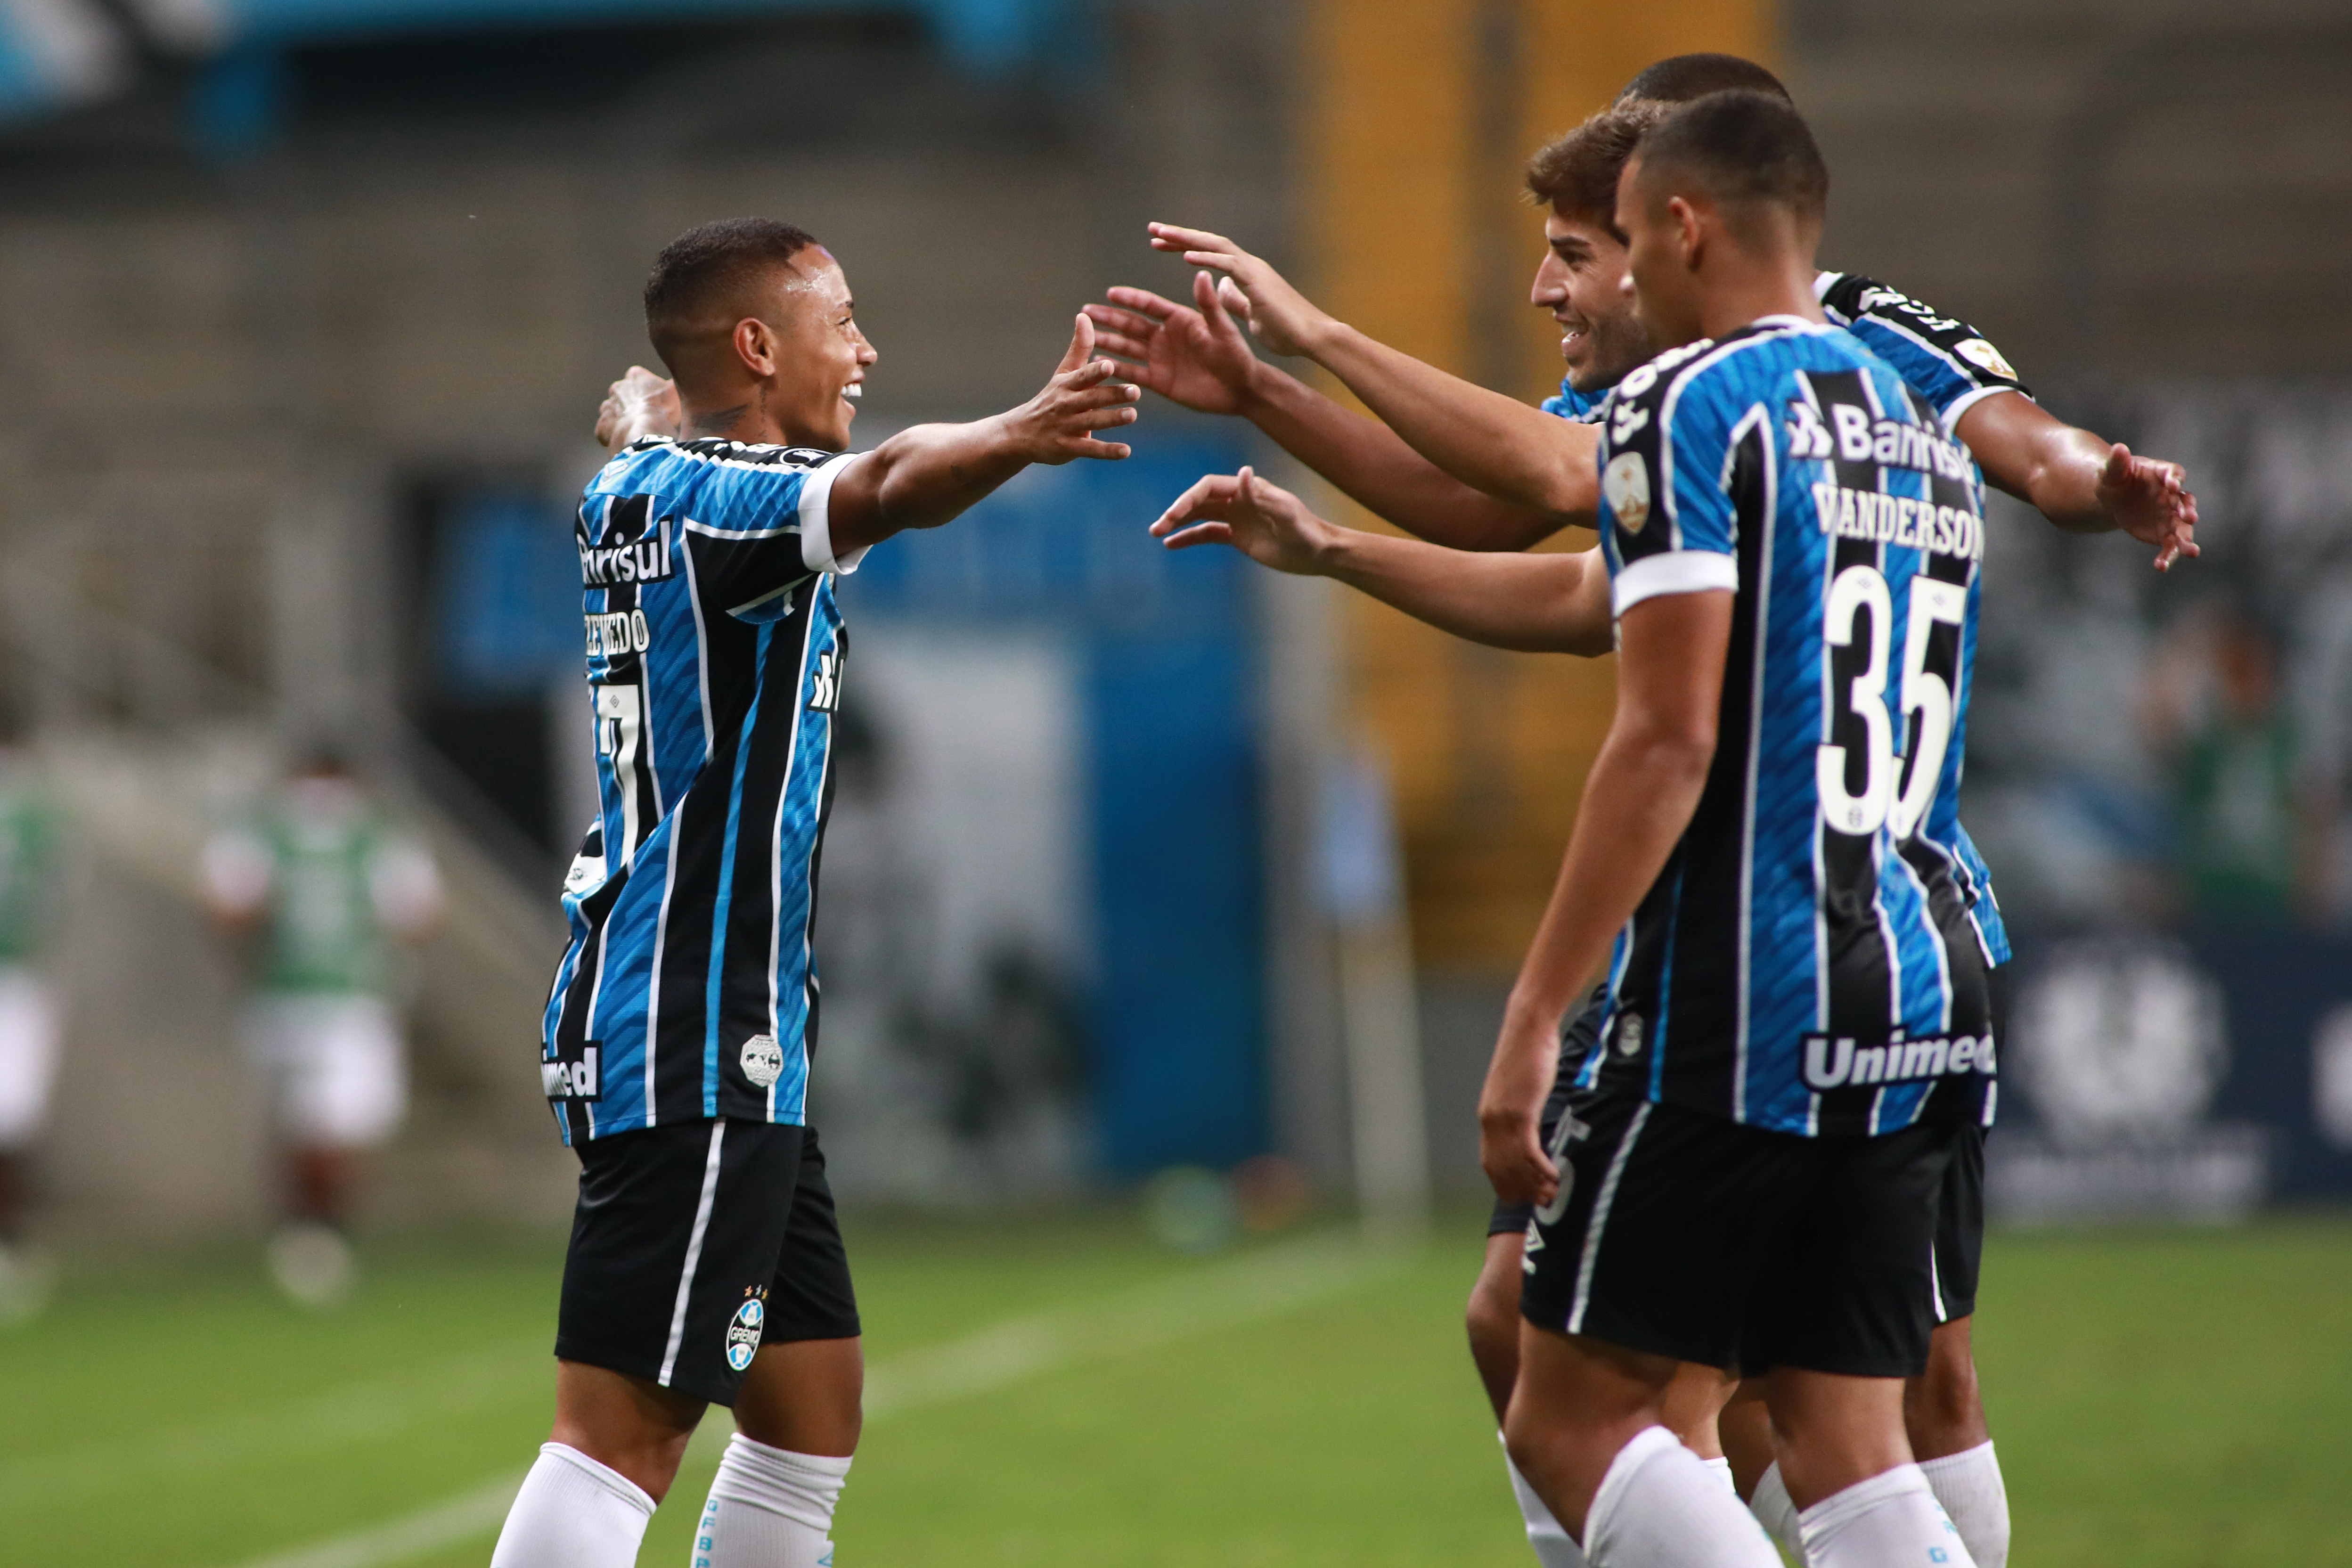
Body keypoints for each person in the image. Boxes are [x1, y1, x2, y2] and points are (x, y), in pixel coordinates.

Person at [1102, 54, 2197, 1568]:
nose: (1552, 289)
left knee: (1620, 1398)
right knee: (1821, 1412)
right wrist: (1325, 516)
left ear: (1675, 221)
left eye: (1583, 240)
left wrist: (1531, 1004)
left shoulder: (1718, 387)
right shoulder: (1893, 420)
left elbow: (1654, 707)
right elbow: (1559, 558)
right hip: (1905, 944)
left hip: (1750, 950)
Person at [490, 217, 1139, 1568]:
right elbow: (893, 478)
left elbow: (665, 433)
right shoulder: (720, 499)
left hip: (718, 1022)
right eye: (842, 320)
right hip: (690, 1023)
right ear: (756, 345)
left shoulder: (637, 479)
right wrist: (1026, 426)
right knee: (622, 1431)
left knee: (808, 1411)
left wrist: (653, 413)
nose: (867, 349)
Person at [202, 747, 443, 1307]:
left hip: (292, 993)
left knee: (306, 1120)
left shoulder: (264, 829)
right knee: (332, 1122)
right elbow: (423, 914)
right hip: (346, 996)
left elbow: (225, 907)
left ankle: (306, 1232)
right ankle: (319, 1234)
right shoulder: (377, 833)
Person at [0, 736, 59, 1323]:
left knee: (12, 1113)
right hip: (15, 978)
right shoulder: (37, 811)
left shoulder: (35, 812)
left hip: (13, 975)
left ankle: (11, 1239)